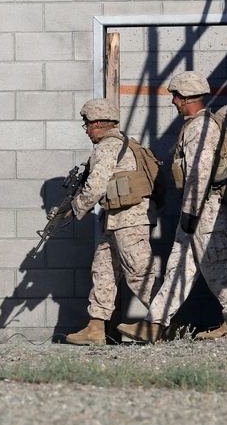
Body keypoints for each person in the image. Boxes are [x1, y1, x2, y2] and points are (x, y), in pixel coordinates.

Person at [116, 71, 227, 343]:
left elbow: (200, 172)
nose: (173, 101)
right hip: (199, 210)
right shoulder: (200, 124)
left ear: (186, 98)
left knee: (219, 265)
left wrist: (191, 213)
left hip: (203, 209)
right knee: (178, 269)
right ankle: (155, 324)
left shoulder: (201, 127)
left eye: (175, 96)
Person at [64, 99, 160, 346]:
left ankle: (164, 322)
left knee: (140, 273)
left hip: (130, 221)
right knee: (103, 269)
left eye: (87, 125)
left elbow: (95, 185)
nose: (86, 130)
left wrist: (76, 207)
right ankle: (95, 327)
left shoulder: (108, 147)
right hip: (117, 220)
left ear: (97, 124)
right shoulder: (127, 144)